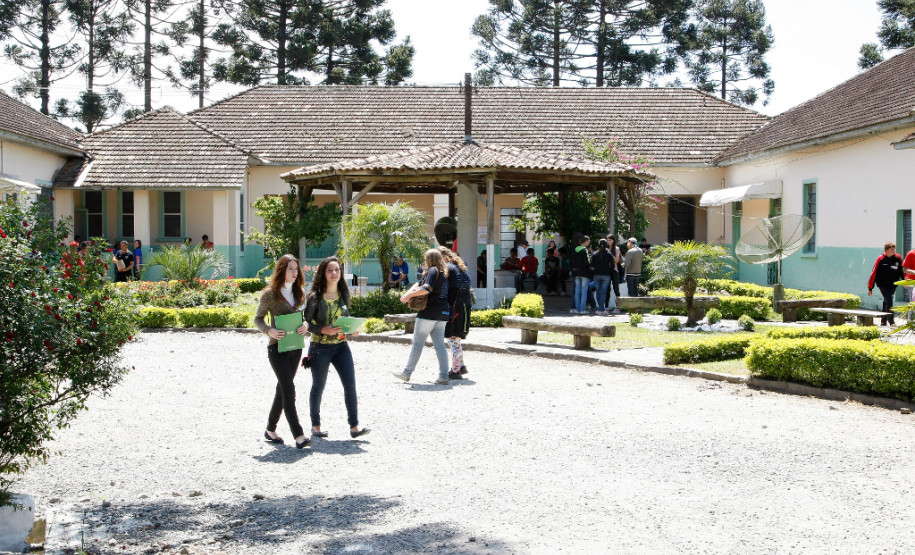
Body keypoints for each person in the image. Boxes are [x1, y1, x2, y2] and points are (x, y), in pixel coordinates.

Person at [303, 256, 370, 440]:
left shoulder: (344, 294)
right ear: (323, 273)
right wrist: (322, 329)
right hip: (319, 347)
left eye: (337, 270)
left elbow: (345, 318)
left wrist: (351, 330)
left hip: (341, 346)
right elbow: (305, 324)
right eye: (330, 270)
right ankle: (316, 427)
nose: (334, 273)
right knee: (318, 386)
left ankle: (354, 427)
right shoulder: (315, 298)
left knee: (350, 385)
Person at [253, 254, 312, 449]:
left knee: (282, 388)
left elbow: (302, 318)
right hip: (276, 349)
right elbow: (258, 319)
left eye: (296, 269)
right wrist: (269, 330)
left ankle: (270, 429)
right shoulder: (270, 294)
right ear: (282, 270)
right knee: (289, 389)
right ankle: (299, 435)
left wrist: (305, 326)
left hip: (295, 348)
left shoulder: (299, 292)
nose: (295, 273)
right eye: (290, 269)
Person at [393, 248, 453, 384]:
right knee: (440, 345)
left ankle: (406, 373)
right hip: (442, 314)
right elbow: (419, 283)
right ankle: (444, 376)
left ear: (429, 259)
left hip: (428, 313)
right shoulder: (444, 273)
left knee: (418, 344)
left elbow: (426, 288)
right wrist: (410, 291)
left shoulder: (433, 270)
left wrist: (409, 295)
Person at [438, 247, 472, 380]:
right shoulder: (460, 267)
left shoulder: (449, 268)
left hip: (456, 305)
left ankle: (455, 369)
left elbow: (445, 288)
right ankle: (461, 365)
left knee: (453, 336)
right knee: (457, 336)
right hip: (465, 303)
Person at [867, 242, 905, 326]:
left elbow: (902, 271)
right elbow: (874, 273)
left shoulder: (898, 258)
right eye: (891, 249)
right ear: (886, 250)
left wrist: (904, 281)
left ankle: (883, 321)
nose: (893, 251)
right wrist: (870, 287)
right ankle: (891, 321)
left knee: (886, 301)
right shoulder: (880, 259)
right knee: (889, 300)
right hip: (882, 284)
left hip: (893, 284)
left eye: (893, 249)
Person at [591, 239, 615, 315]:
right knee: (603, 292)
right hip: (606, 275)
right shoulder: (609, 254)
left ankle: (600, 309)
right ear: (606, 245)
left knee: (598, 292)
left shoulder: (595, 254)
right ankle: (602, 309)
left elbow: (592, 265)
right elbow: (612, 266)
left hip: (597, 275)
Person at [570, 234, 591, 314]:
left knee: (577, 291)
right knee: (584, 292)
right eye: (588, 242)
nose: (588, 243)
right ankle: (582, 310)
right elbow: (587, 261)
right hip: (584, 273)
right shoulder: (584, 250)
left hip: (576, 273)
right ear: (586, 241)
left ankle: (577, 309)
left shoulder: (575, 249)